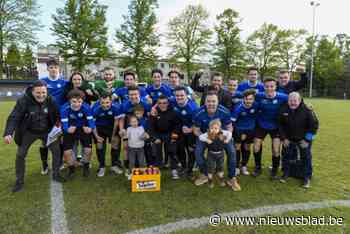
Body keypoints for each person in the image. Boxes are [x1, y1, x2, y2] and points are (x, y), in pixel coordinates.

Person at [3, 80, 66, 192]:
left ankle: (56, 174)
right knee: (20, 154)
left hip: (47, 131)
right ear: (32, 92)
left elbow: (58, 115)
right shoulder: (23, 101)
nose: (41, 95)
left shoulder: (51, 100)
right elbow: (14, 117)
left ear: (46, 91)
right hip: (29, 131)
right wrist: (8, 133)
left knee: (56, 151)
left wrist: (59, 127)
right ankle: (19, 181)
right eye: (38, 93)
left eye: (43, 92)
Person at [192, 93, 241, 191]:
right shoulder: (198, 112)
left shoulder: (224, 111)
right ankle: (205, 174)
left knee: (231, 152)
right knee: (198, 152)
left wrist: (226, 138)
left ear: (218, 102)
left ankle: (232, 178)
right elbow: (196, 129)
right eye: (208, 101)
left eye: (213, 101)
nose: (211, 104)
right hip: (206, 135)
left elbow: (229, 127)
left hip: (221, 135)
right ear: (204, 102)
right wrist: (204, 138)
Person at [278, 92, 319, 188]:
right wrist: (284, 138)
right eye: (290, 101)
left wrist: (307, 140)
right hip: (289, 139)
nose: (292, 103)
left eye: (295, 101)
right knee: (286, 156)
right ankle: (286, 173)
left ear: (299, 101)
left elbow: (314, 126)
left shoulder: (307, 110)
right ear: (288, 101)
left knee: (306, 158)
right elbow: (280, 125)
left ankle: (306, 178)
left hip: (303, 140)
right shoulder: (283, 109)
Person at [253, 78, 288, 179]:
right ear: (264, 87)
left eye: (271, 86)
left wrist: (307, 107)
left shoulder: (283, 97)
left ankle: (274, 170)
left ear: (275, 87)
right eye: (267, 86)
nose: (269, 88)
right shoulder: (259, 95)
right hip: (261, 124)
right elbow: (245, 95)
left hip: (276, 126)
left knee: (276, 150)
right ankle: (258, 167)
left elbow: (296, 100)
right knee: (256, 147)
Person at [39, 58, 67, 175]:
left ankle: (59, 162)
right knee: (44, 141)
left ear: (58, 69)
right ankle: (44, 164)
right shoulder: (42, 82)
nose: (53, 69)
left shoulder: (65, 83)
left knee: (59, 140)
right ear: (48, 69)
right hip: (45, 116)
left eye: (55, 67)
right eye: (51, 67)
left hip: (59, 117)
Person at [60, 89, 95, 179]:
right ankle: (71, 170)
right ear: (69, 101)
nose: (77, 104)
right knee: (67, 152)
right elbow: (64, 123)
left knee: (88, 150)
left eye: (79, 101)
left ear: (82, 101)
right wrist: (67, 129)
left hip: (83, 128)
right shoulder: (64, 108)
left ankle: (86, 167)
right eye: (74, 101)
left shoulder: (86, 107)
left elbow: (91, 121)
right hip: (70, 128)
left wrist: (90, 128)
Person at [117, 86, 152, 174]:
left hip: (142, 131)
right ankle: (129, 168)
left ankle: (146, 166)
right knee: (127, 148)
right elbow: (121, 118)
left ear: (139, 94)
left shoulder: (145, 104)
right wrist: (121, 129)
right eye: (131, 94)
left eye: (135, 94)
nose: (133, 96)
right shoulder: (124, 105)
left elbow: (150, 119)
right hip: (129, 131)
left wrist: (147, 132)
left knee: (144, 149)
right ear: (128, 95)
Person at [148, 95, 182, 179]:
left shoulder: (173, 112)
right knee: (156, 150)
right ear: (157, 104)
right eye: (160, 103)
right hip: (158, 134)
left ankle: (174, 169)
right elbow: (151, 127)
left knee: (172, 150)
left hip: (169, 133)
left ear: (168, 103)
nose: (162, 105)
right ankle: (158, 168)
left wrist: (175, 134)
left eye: (164, 103)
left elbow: (178, 124)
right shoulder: (154, 112)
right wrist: (154, 138)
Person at [170, 86, 199, 178]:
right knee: (179, 149)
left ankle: (190, 170)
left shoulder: (193, 107)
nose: (179, 97)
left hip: (191, 131)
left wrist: (191, 129)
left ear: (187, 95)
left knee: (190, 150)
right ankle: (183, 167)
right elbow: (161, 102)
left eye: (182, 95)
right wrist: (154, 108)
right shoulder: (173, 101)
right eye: (177, 95)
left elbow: (198, 122)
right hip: (179, 131)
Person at [92, 94, 123, 177]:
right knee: (99, 145)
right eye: (103, 103)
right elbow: (92, 124)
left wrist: (113, 136)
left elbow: (116, 122)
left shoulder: (116, 108)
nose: (105, 105)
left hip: (112, 127)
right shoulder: (95, 109)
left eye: (107, 102)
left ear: (111, 101)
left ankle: (114, 165)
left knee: (115, 143)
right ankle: (102, 166)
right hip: (99, 128)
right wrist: (96, 136)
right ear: (99, 102)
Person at [231, 89, 258, 176]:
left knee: (247, 147)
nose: (248, 101)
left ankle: (244, 166)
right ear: (243, 99)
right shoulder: (238, 108)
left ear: (253, 99)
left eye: (251, 99)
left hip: (251, 130)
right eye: (247, 99)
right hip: (239, 129)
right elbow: (233, 122)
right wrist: (237, 133)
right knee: (237, 147)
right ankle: (236, 167)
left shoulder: (256, 105)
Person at [199, 119, 232, 188]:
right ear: (209, 128)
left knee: (221, 166)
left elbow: (230, 133)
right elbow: (200, 137)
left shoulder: (222, 133)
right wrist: (207, 140)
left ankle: (221, 178)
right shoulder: (208, 134)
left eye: (216, 128)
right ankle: (210, 180)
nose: (214, 130)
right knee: (210, 167)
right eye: (212, 128)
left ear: (219, 128)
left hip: (221, 154)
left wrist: (227, 140)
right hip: (211, 154)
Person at [126, 115, 149, 180]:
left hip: (140, 148)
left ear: (138, 122)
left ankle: (143, 173)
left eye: (135, 121)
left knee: (142, 161)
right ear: (130, 123)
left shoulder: (141, 128)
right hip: (131, 148)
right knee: (132, 162)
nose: (134, 123)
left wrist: (145, 136)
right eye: (132, 122)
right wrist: (122, 133)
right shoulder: (129, 129)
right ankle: (131, 173)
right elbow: (126, 137)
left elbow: (142, 137)